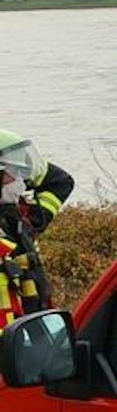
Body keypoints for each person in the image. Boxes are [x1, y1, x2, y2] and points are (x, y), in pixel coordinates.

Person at [0, 130, 72, 327]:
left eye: (21, 173)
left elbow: (59, 181)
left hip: (31, 329)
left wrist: (33, 221)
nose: (20, 182)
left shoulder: (16, 220)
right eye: (13, 173)